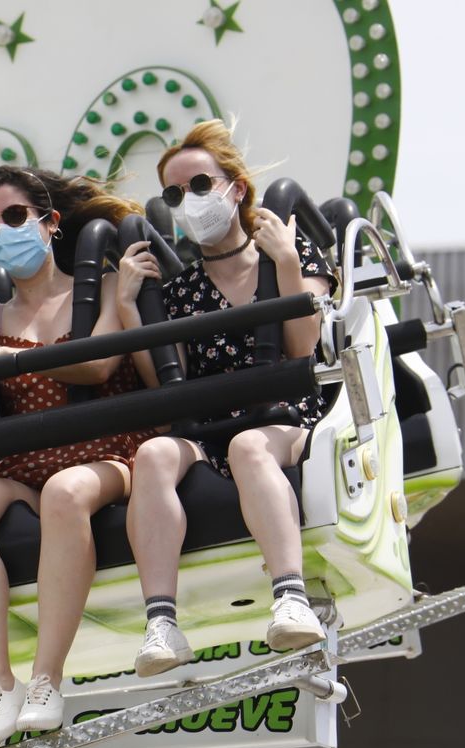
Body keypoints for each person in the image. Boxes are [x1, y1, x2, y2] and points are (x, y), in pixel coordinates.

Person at [0, 166, 157, 748]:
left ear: (49, 223)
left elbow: (98, 365)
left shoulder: (102, 288)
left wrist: (2, 360)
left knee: (66, 494)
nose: (1, 230)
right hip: (26, 460)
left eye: (13, 217)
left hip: (107, 447)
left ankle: (46, 679)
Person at [116, 120, 336, 676]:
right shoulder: (182, 289)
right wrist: (127, 307)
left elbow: (301, 345)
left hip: (284, 418)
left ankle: (289, 594)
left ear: (235, 189)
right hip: (208, 424)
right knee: (154, 454)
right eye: (174, 194)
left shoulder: (292, 253)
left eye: (199, 186)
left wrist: (285, 262)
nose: (188, 202)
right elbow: (164, 379)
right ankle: (161, 622)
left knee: (247, 448)